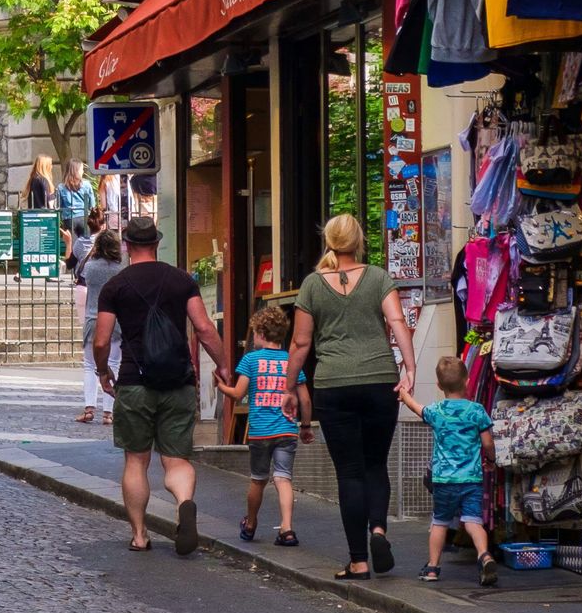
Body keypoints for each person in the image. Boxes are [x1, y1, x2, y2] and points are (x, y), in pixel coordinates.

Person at [283, 212, 417, 581]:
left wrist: (290, 387)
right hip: (379, 383)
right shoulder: (378, 278)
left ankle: (358, 561)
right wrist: (410, 369)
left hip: (333, 386)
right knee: (376, 463)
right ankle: (378, 530)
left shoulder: (312, 285)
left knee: (350, 473)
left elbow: (301, 342)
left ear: (328, 241)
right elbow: (397, 323)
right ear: (359, 241)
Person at [91, 216, 231, 555]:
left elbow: (101, 340)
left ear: (127, 245)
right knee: (177, 458)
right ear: (156, 243)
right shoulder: (181, 280)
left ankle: (140, 534)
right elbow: (204, 328)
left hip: (134, 382)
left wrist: (102, 372)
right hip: (178, 380)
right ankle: (184, 502)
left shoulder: (116, 287)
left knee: (136, 461)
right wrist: (225, 365)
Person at [400, 355, 498, 586]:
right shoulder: (477, 411)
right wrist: (491, 460)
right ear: (467, 380)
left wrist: (404, 393)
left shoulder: (437, 411)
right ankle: (484, 555)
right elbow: (487, 443)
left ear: (439, 385)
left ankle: (433, 568)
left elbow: (415, 407)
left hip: (443, 479)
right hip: (471, 479)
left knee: (440, 522)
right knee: (474, 522)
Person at [218, 302, 309, 547]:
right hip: (287, 429)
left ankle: (251, 524)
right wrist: (306, 426)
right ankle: (287, 528)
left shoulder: (251, 360)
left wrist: (220, 386)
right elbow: (305, 398)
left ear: (259, 333)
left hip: (260, 431)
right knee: (283, 478)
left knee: (258, 479)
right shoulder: (292, 361)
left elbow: (238, 394)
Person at [78, 227, 122, 422]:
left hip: (92, 319)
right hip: (115, 320)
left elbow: (80, 273)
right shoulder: (120, 269)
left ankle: (89, 408)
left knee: (89, 365)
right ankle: (108, 412)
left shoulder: (90, 268)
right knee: (113, 364)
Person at [57, 159, 95, 260]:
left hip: (69, 219)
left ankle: (73, 270)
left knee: (72, 245)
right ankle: (84, 267)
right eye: (82, 169)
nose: (83, 172)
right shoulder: (87, 184)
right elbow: (92, 204)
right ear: (76, 170)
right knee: (87, 246)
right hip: (84, 217)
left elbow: (59, 206)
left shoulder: (61, 187)